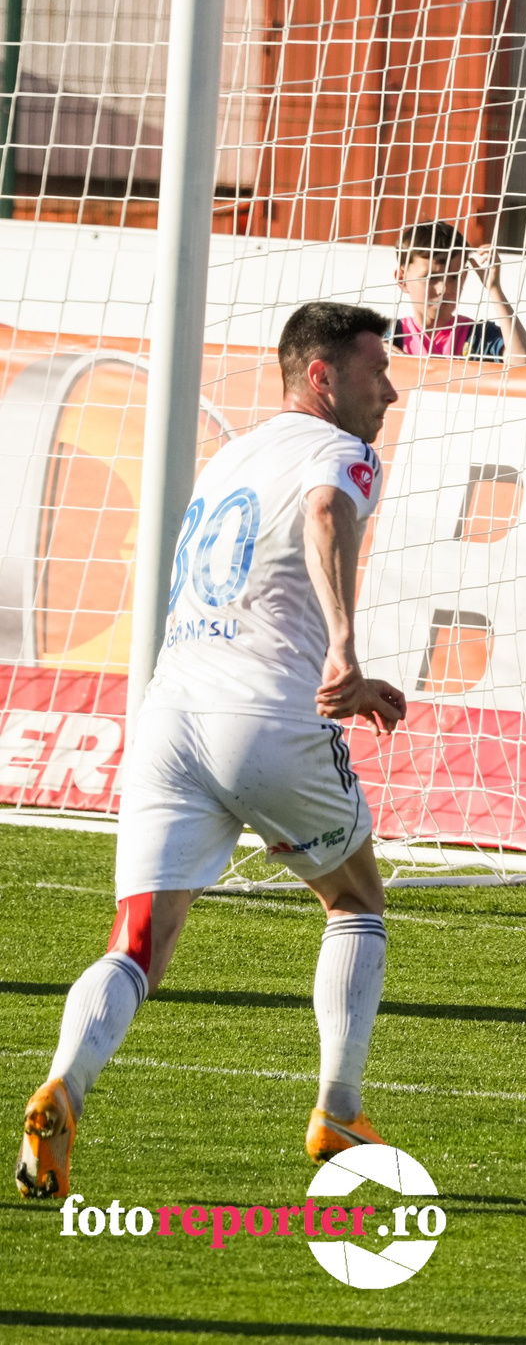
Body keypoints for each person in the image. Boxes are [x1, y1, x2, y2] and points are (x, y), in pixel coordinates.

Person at [17, 302, 409, 1201]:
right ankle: (340, 1107)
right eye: (372, 370)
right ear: (321, 377)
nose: (388, 390)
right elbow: (322, 515)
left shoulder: (229, 455)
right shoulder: (341, 455)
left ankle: (63, 1085)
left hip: (170, 714)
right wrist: (344, 650)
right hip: (264, 714)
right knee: (355, 897)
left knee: (139, 936)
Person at [389, 219, 526, 366]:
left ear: (464, 277)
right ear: (402, 279)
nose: (443, 289)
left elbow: (522, 361)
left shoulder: (478, 336)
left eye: (453, 277)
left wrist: (494, 289)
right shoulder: (388, 337)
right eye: (431, 277)